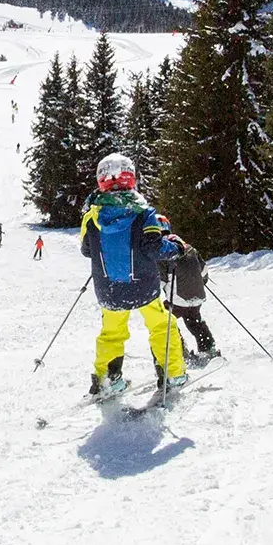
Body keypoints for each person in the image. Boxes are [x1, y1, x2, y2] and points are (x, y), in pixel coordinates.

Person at [79, 152, 185, 396]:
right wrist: (176, 247)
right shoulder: (143, 212)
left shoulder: (91, 216)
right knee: (162, 325)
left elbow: (87, 250)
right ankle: (172, 373)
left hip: (109, 289)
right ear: (131, 179)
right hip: (143, 286)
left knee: (111, 333)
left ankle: (106, 379)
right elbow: (154, 247)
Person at [157, 224, 217, 359]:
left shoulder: (163, 252)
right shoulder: (190, 248)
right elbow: (203, 271)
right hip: (197, 296)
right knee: (193, 320)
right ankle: (208, 348)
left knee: (164, 320)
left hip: (177, 299)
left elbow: (160, 281)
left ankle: (179, 351)